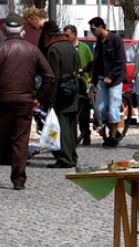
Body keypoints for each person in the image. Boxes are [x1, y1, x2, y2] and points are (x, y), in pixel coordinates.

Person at [0, 14, 53, 190]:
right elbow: (49, 76)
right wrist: (38, 98)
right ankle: (18, 179)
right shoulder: (32, 49)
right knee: (20, 140)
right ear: (22, 30)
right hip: (25, 100)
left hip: (2, 100)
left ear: (5, 29)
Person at [43, 22, 81, 168]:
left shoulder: (53, 49)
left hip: (61, 93)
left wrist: (50, 100)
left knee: (63, 125)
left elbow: (53, 77)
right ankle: (72, 156)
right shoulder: (70, 47)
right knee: (71, 126)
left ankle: (65, 158)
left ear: (48, 35)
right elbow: (77, 67)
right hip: (72, 90)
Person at [88, 17, 126, 148]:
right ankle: (114, 130)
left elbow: (120, 61)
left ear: (101, 26)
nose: (92, 31)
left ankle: (112, 137)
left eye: (93, 29)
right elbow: (97, 62)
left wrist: (110, 76)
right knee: (99, 109)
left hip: (115, 80)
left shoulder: (115, 40)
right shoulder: (98, 42)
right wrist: (87, 69)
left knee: (113, 109)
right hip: (100, 79)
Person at [63, 24, 94, 146]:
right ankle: (71, 136)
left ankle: (86, 134)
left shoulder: (84, 48)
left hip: (82, 83)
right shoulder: (64, 48)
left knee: (84, 112)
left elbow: (91, 63)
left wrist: (90, 80)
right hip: (69, 84)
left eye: (67, 35)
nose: (65, 38)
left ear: (74, 35)